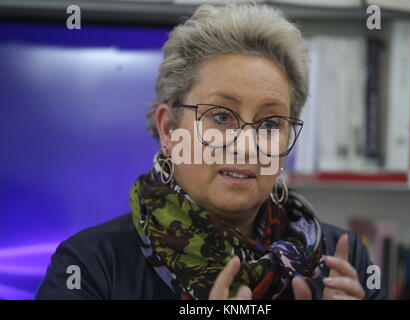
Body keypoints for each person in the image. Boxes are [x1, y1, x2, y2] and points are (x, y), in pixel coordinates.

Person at [35, 2, 385, 300]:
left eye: (269, 123)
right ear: (169, 128)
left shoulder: (343, 261)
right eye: (221, 116)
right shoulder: (90, 266)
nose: (247, 146)